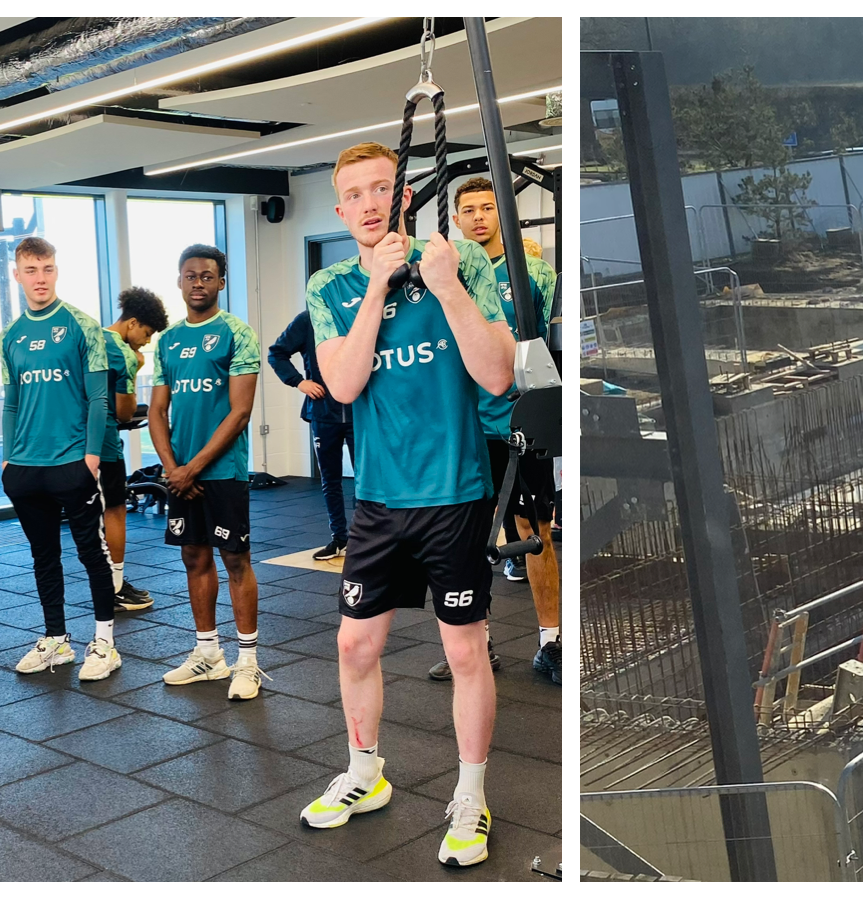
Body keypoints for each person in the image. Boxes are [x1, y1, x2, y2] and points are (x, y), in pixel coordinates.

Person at [299, 142, 516, 867]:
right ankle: (366, 773)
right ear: (340, 210)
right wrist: (375, 287)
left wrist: (446, 286)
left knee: (463, 649)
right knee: (354, 644)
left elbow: (495, 376)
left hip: (453, 494)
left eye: (380, 189)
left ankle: (471, 795)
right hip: (380, 500)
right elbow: (347, 383)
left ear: (405, 198)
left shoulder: (463, 263)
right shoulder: (331, 285)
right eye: (354, 194)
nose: (367, 203)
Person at [434, 175, 562, 685]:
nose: (481, 216)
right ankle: (474, 644)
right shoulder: (445, 275)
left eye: (490, 207)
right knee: (464, 537)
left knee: (536, 534)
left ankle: (551, 643)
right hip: (464, 426)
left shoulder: (535, 274)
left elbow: (544, 349)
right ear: (458, 219)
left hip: (516, 424)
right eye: (471, 209)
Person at [0, 237, 123, 681]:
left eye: (47, 269)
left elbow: (97, 398)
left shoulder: (81, 326)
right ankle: (56, 640)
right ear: (18, 275)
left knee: (91, 553)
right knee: (43, 556)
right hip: (27, 467)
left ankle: (104, 643)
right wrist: (9, 458)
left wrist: (91, 457)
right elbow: (10, 403)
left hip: (72, 461)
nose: (40, 279)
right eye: (31, 271)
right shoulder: (10, 336)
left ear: (56, 271)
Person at [147, 244, 265, 701]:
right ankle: (208, 655)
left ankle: (248, 662)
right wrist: (173, 468)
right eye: (190, 275)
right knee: (194, 557)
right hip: (182, 474)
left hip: (222, 472)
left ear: (221, 282)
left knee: (235, 560)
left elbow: (239, 413)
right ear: (179, 282)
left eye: (207, 276)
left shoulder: (237, 333)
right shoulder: (168, 340)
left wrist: (191, 467)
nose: (198, 283)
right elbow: (158, 411)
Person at [102, 287, 170, 611]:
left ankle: (106, 585)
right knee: (114, 510)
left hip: (68, 446)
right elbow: (125, 413)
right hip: (101, 446)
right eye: (146, 333)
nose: (146, 341)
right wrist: (136, 367)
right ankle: (113, 587)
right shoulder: (122, 352)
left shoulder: (89, 339)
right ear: (131, 323)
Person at [268, 309, 353, 560]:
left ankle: (365, 539)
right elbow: (277, 353)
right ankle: (339, 539)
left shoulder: (359, 313)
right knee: (330, 480)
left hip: (361, 411)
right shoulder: (308, 319)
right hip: (323, 413)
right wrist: (299, 382)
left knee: (366, 480)